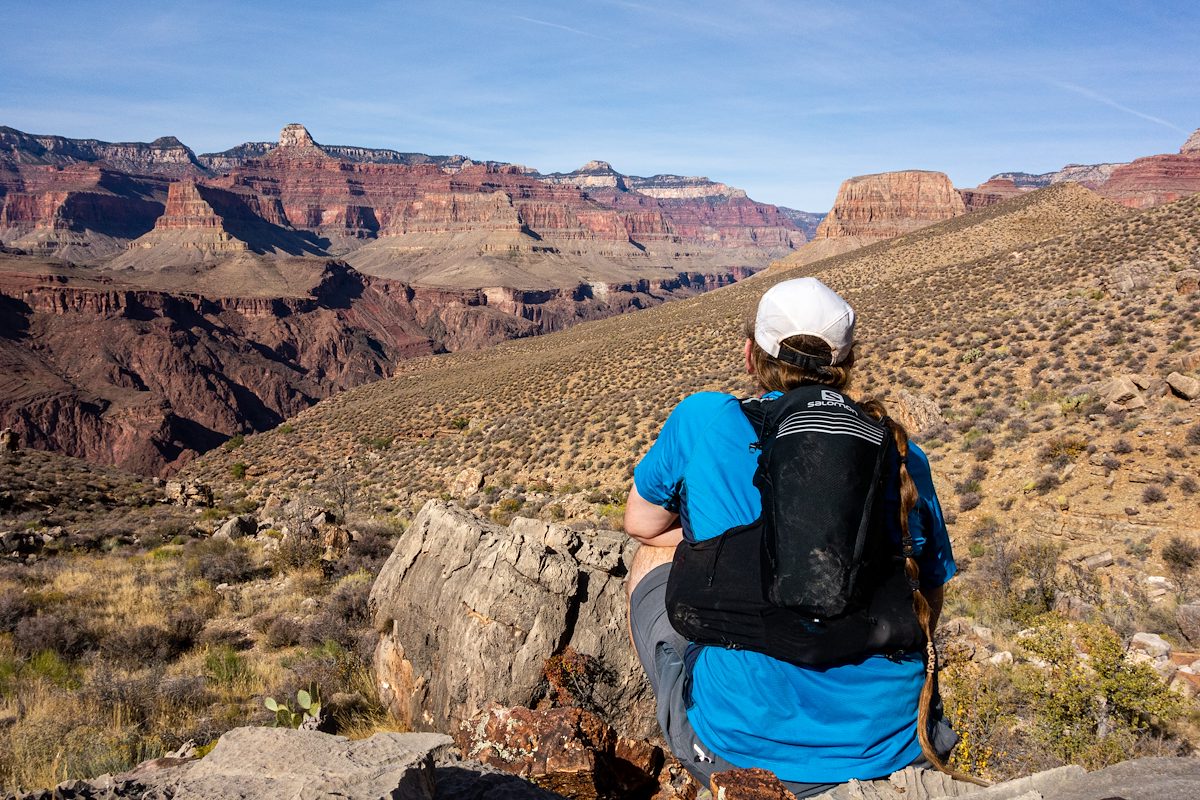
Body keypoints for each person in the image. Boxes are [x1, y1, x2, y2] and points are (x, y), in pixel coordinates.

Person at [624, 277, 957, 796]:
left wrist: (710, 543)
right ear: (845, 367)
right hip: (895, 742)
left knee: (649, 556)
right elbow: (931, 588)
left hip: (741, 746)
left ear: (750, 355)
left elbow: (642, 525)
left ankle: (683, 724)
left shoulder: (704, 417)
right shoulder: (900, 454)